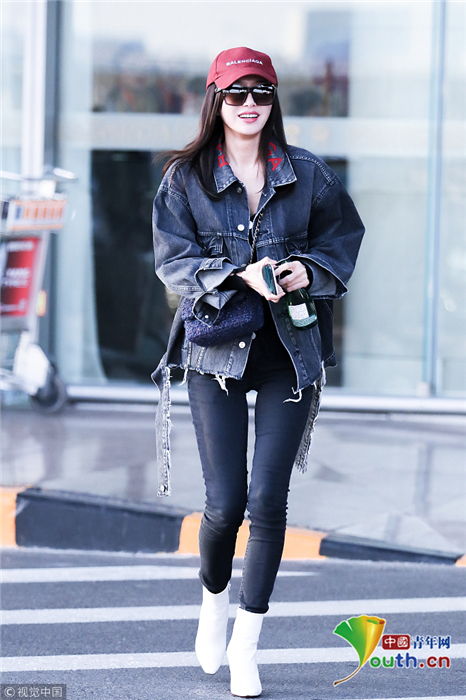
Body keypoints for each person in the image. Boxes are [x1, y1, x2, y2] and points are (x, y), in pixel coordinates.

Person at [152, 47, 364, 698]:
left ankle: (247, 645)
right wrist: (234, 274)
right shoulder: (185, 179)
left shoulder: (308, 174)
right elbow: (172, 262)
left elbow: (342, 242)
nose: (250, 105)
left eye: (262, 93)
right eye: (237, 93)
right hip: (215, 353)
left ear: (274, 101)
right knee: (226, 505)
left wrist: (308, 270)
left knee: (270, 501)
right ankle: (213, 598)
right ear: (216, 100)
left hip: (288, 355)